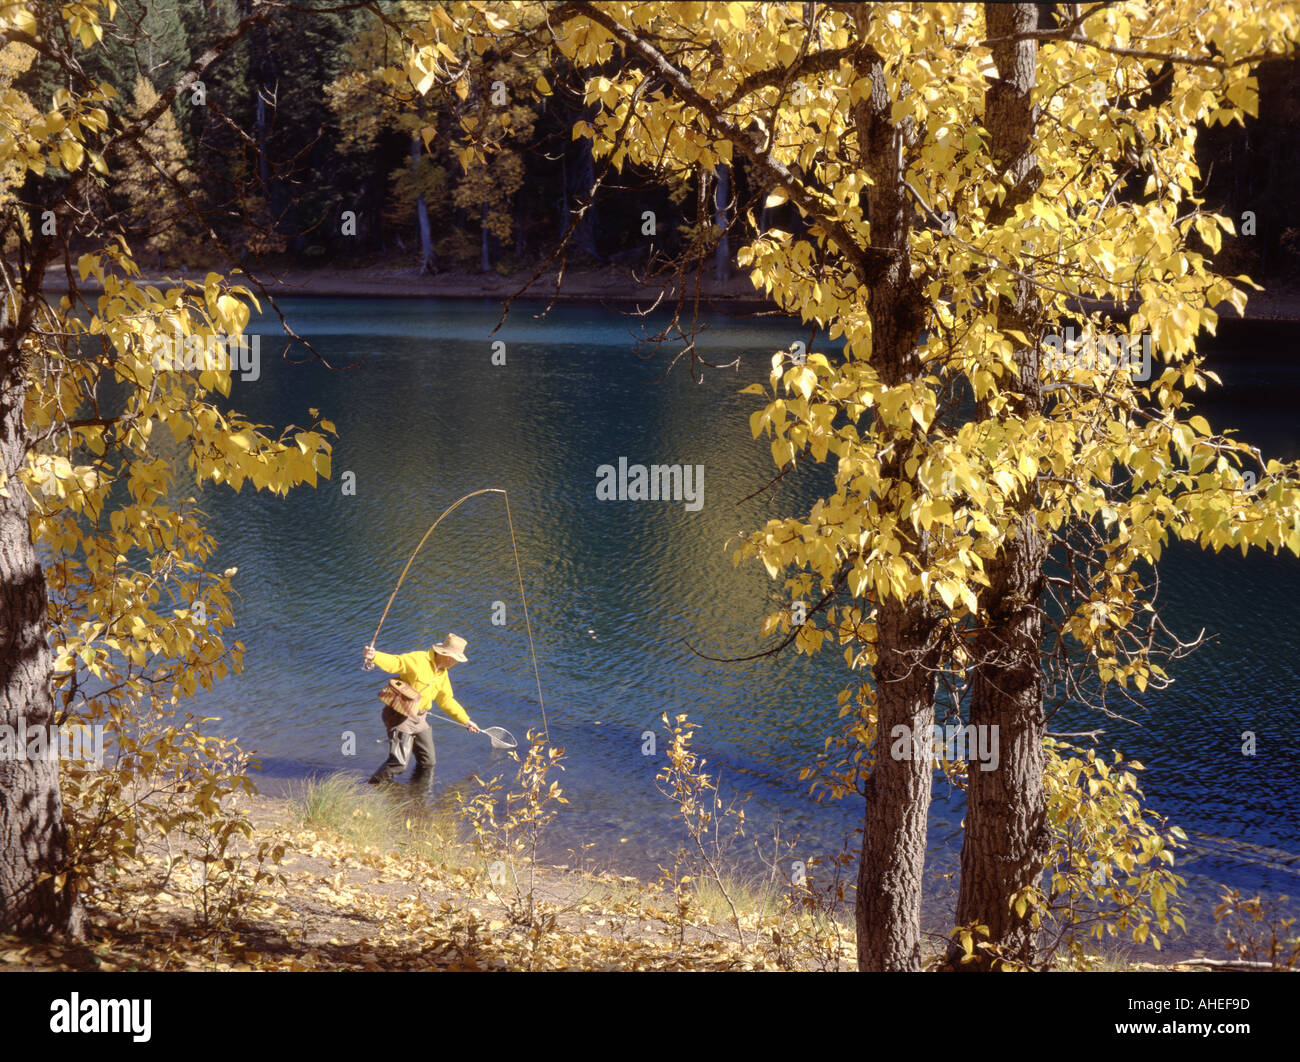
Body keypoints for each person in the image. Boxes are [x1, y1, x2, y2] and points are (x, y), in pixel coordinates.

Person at [365, 633, 481, 785]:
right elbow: (396, 662)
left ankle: (418, 795)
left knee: (428, 761)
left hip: (420, 718)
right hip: (401, 716)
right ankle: (372, 786)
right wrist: (374, 656)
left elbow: (446, 700)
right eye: (455, 659)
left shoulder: (442, 674)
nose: (456, 663)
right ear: (444, 654)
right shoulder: (418, 659)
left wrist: (466, 720)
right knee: (399, 763)